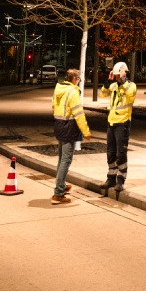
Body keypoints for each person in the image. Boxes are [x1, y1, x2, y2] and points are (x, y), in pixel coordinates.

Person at [51, 67, 91, 204]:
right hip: (69, 127)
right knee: (66, 160)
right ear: (75, 79)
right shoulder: (73, 92)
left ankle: (61, 185)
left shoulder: (59, 89)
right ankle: (58, 193)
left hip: (59, 125)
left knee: (62, 159)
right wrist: (86, 131)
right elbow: (78, 114)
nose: (79, 82)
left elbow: (53, 107)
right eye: (79, 79)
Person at [99, 61, 137, 193]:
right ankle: (111, 178)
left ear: (123, 73)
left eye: (117, 75)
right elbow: (103, 94)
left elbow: (131, 95)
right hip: (111, 123)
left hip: (123, 123)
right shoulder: (114, 85)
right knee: (111, 153)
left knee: (121, 154)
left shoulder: (130, 86)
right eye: (114, 75)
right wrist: (108, 81)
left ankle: (121, 180)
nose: (115, 77)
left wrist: (123, 80)